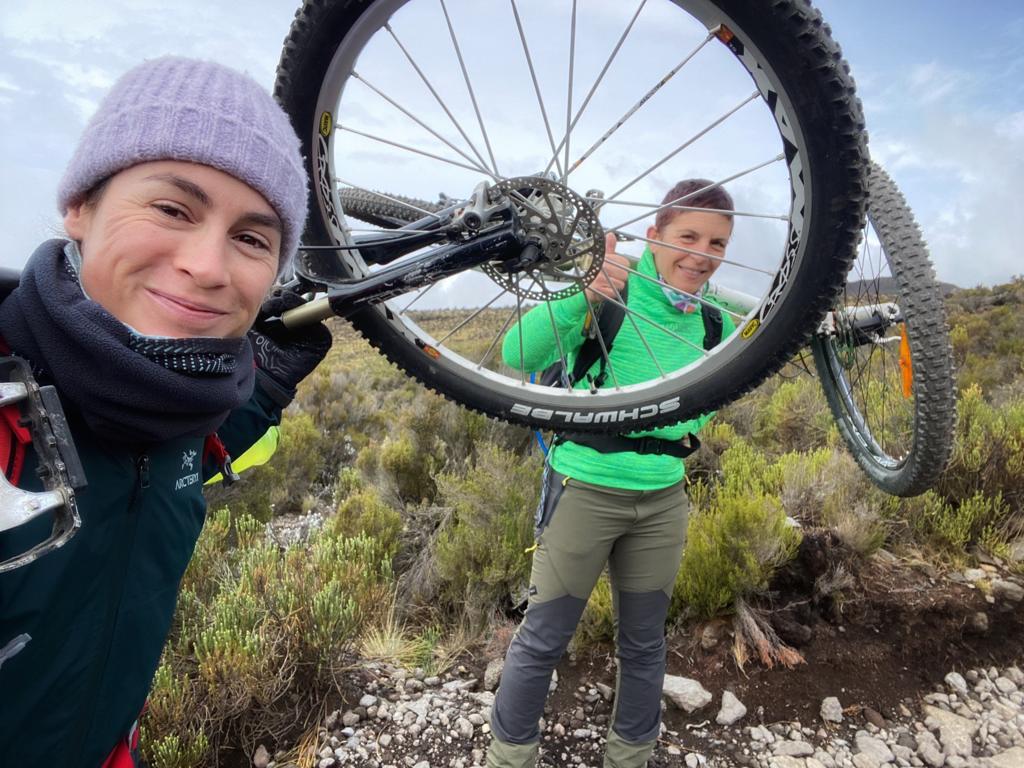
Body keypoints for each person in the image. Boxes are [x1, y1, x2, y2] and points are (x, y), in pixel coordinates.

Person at [0, 56, 331, 766]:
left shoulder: (183, 414)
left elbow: (161, 464)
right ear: (80, 206)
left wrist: (265, 391)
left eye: (251, 238)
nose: (209, 266)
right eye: (173, 209)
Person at [488, 180, 737, 768]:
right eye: (689, 236)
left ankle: (630, 756)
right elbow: (516, 354)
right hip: (585, 489)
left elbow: (763, 341)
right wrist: (587, 294)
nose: (702, 254)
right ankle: (509, 758)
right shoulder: (611, 288)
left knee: (646, 645)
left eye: (718, 243)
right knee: (544, 639)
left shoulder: (713, 316)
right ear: (655, 236)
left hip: (663, 498)